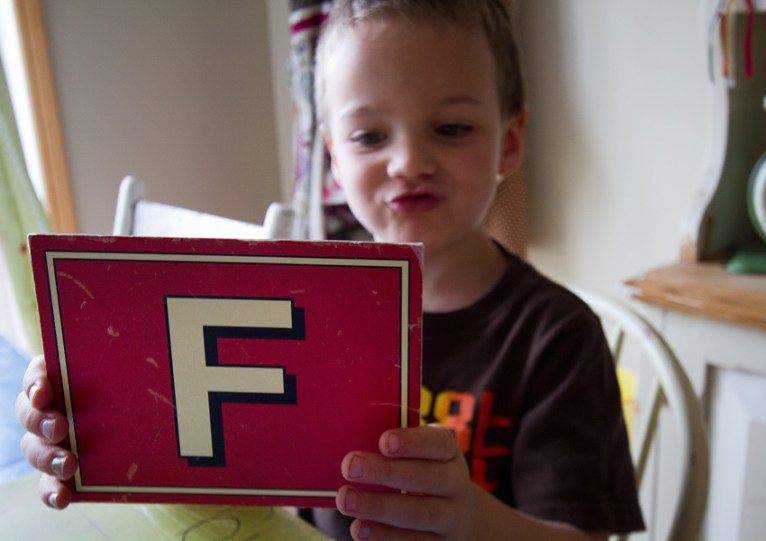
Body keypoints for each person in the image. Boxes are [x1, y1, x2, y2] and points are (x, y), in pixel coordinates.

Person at [17, 0, 645, 539]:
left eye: (451, 128)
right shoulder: (293, 306)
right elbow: (223, 457)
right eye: (370, 137)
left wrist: (468, 519)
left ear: (509, 141)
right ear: (334, 161)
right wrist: (92, 417)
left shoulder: (558, 337)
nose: (408, 161)